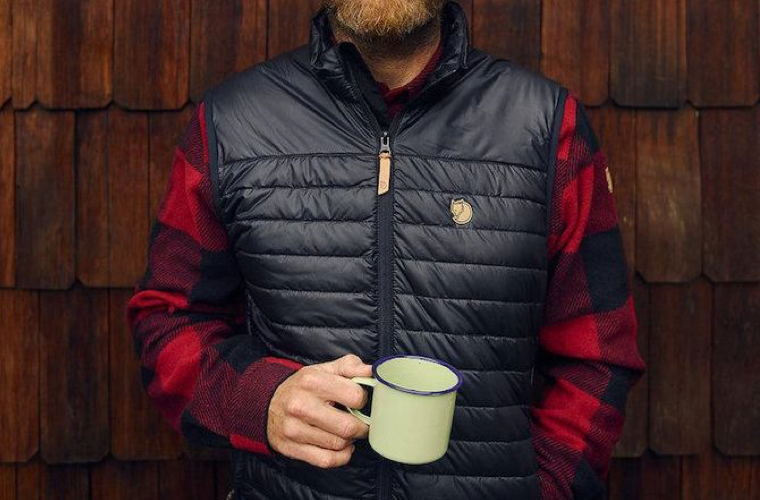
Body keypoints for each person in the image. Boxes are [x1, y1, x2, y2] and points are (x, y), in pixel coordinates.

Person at [126, 1, 646, 499]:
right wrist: (260, 402)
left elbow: (597, 356)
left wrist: (544, 489)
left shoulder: (548, 126)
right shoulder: (230, 124)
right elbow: (168, 322)